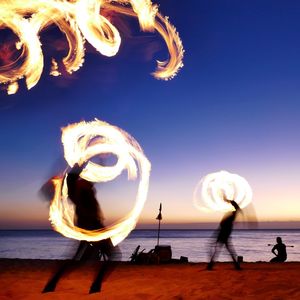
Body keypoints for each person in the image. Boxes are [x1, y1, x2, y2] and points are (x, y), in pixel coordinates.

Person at [43, 163, 116, 293]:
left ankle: (53, 283)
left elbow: (90, 179)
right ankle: (94, 287)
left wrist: (100, 162)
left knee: (81, 260)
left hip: (94, 228)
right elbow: (71, 179)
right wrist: (80, 163)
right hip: (90, 228)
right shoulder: (77, 190)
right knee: (109, 255)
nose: (90, 180)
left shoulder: (85, 188)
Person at [207, 197, 241, 270]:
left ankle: (210, 266)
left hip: (223, 236)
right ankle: (236, 266)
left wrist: (229, 201)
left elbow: (237, 208)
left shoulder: (228, 219)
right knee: (226, 251)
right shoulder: (228, 220)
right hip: (223, 236)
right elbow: (237, 208)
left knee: (220, 251)